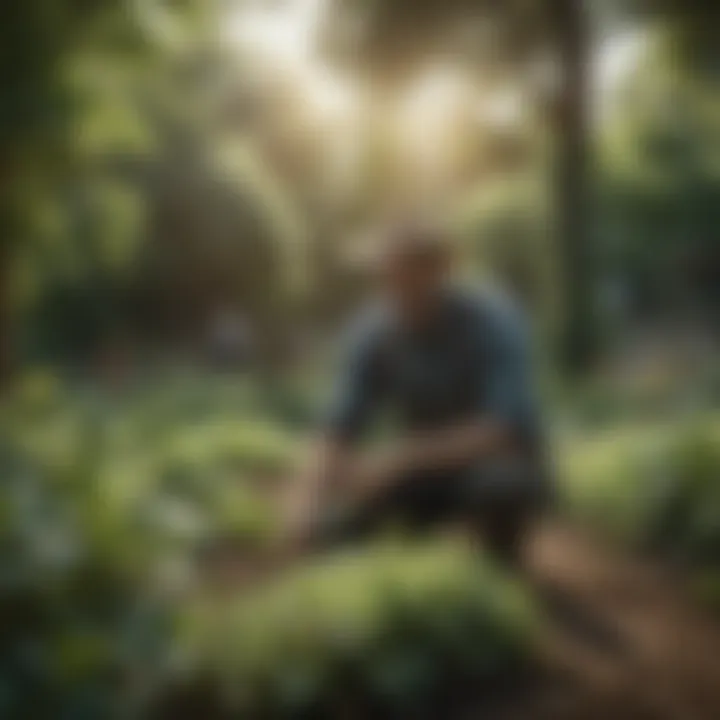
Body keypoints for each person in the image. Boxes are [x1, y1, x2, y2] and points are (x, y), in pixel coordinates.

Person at [285, 220, 552, 567]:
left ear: (439, 271)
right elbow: (340, 423)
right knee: (334, 536)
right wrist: (307, 496)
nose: (391, 282)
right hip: (421, 475)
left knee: (501, 487)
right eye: (385, 271)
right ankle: (407, 558)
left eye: (404, 270)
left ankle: (500, 561)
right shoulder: (373, 332)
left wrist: (398, 459)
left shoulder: (494, 321)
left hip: (490, 464)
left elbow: (499, 429)